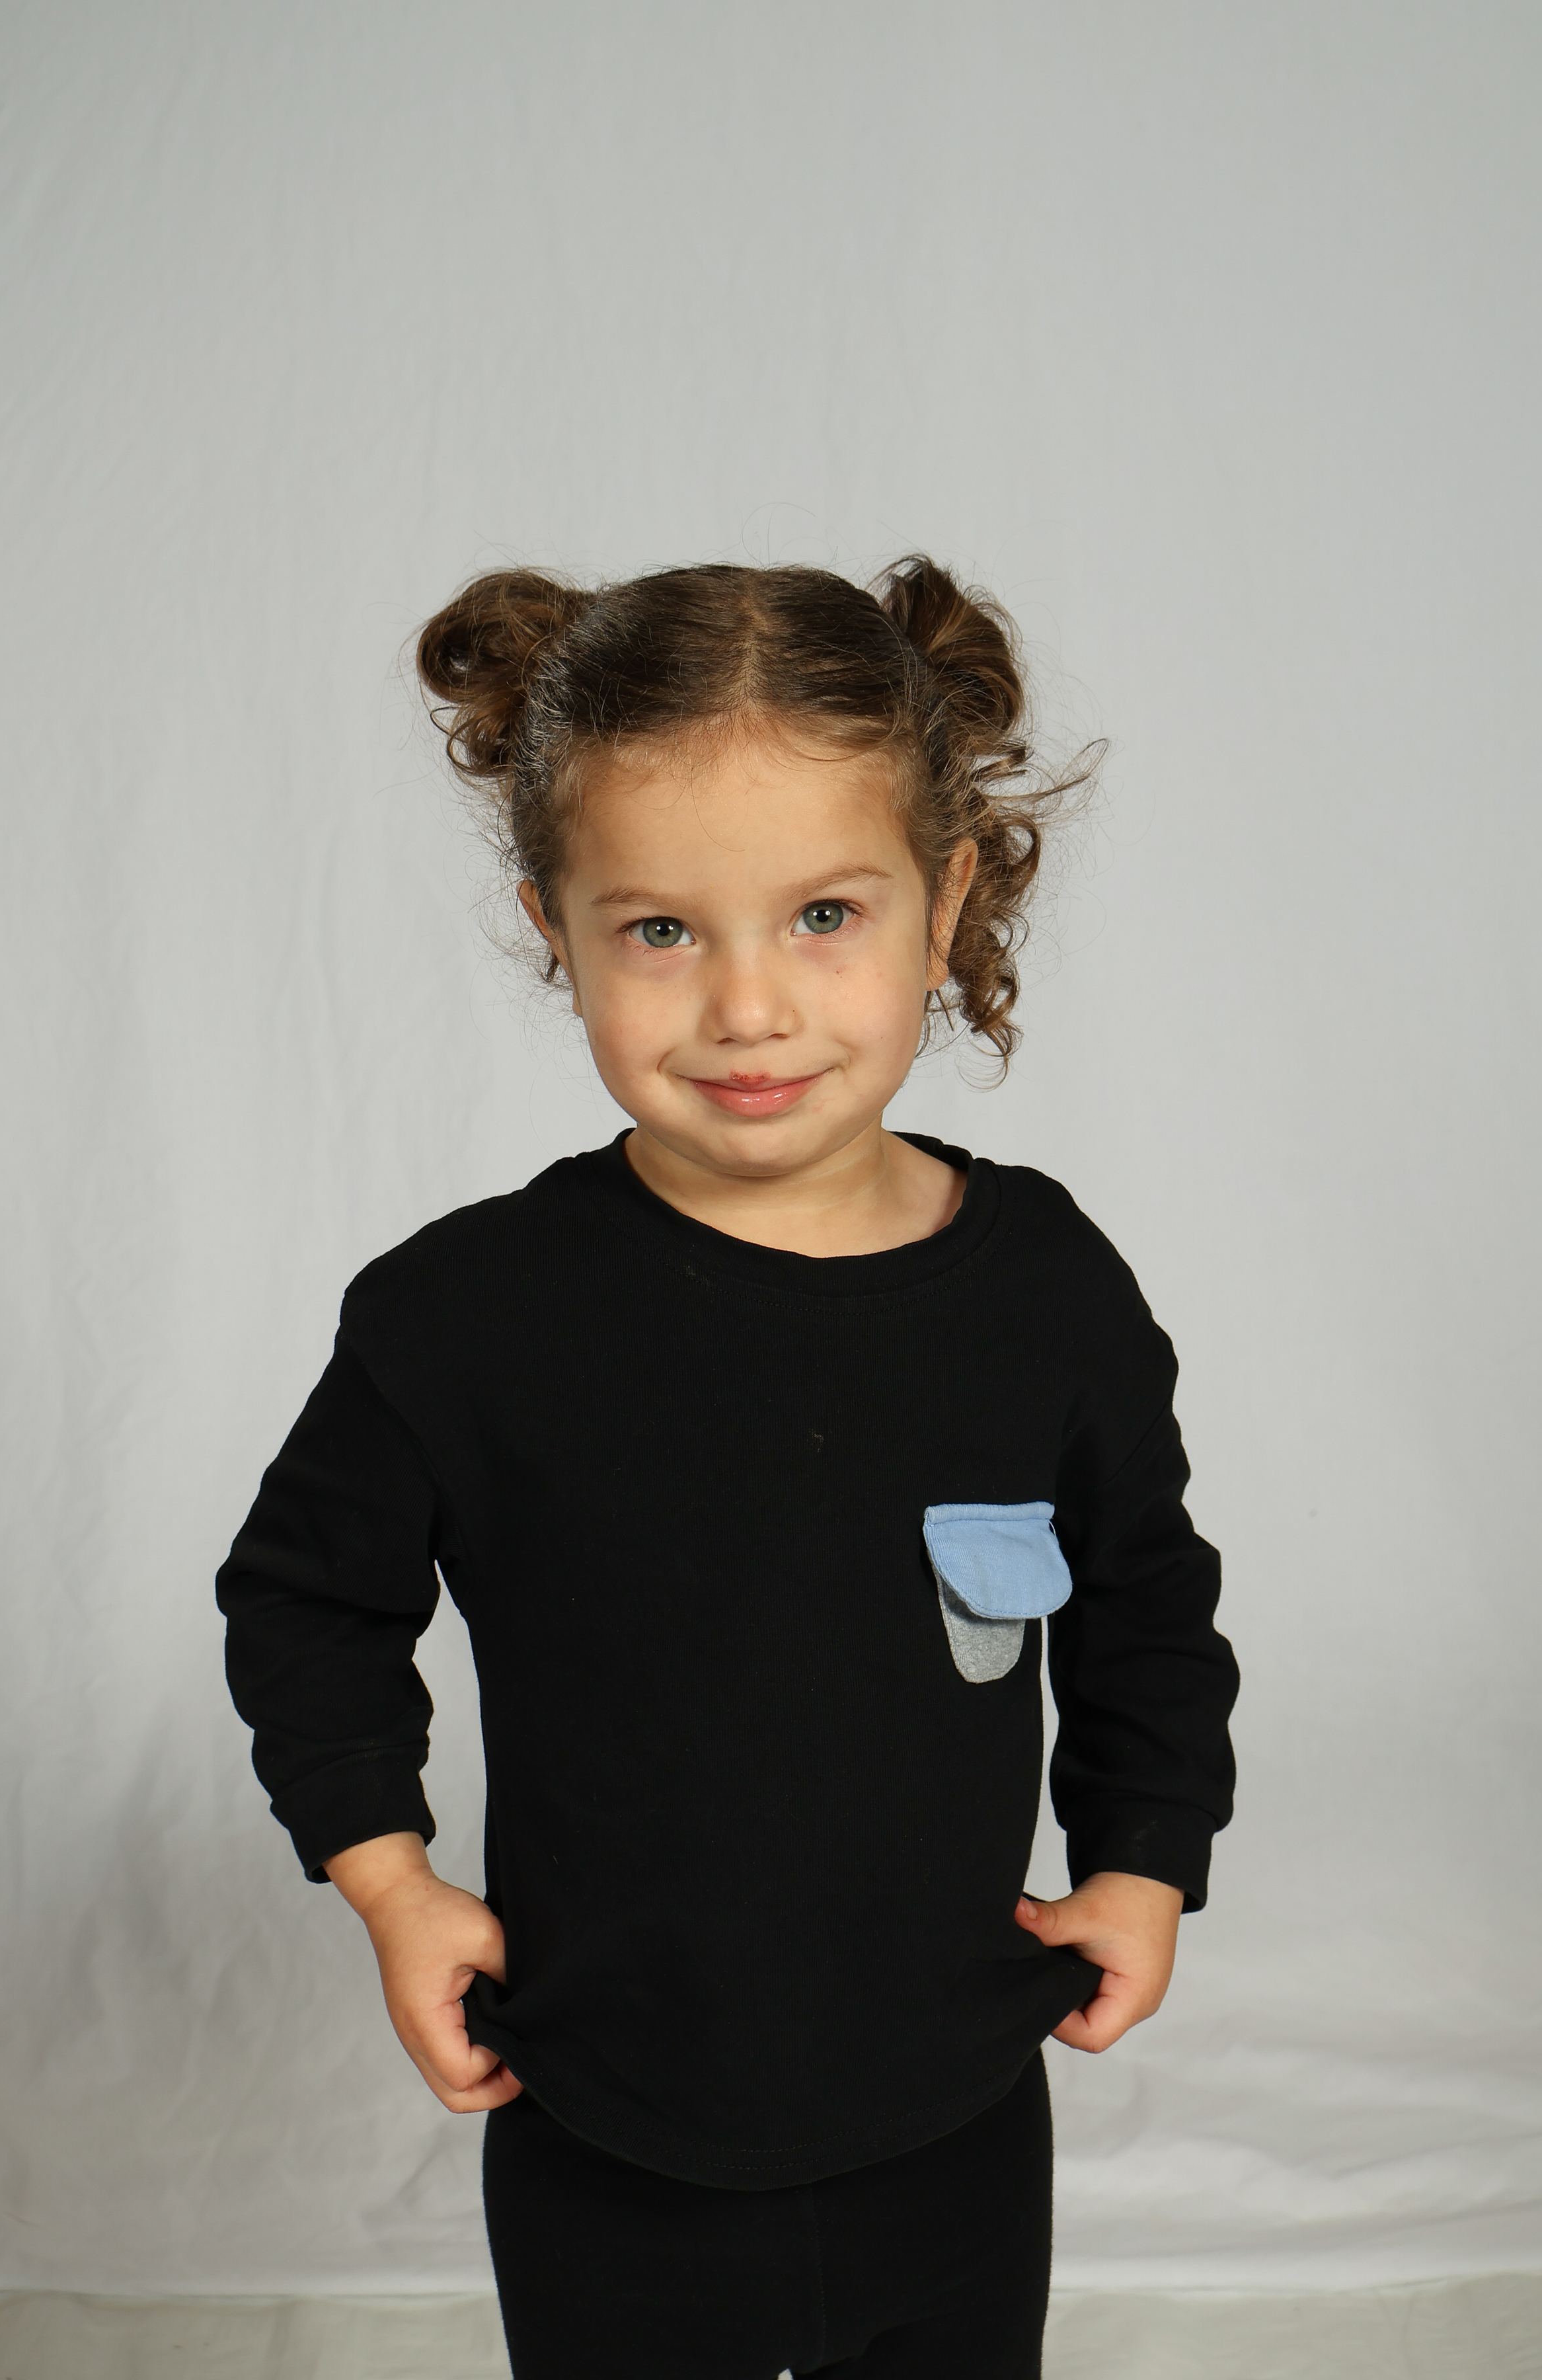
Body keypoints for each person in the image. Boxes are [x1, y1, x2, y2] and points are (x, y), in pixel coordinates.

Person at [217, 557, 1237, 2379]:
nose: (749, 1008)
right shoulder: (468, 1317)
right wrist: (392, 1884)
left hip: (954, 2100)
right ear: (555, 927)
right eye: (662, 932)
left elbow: (1149, 1603)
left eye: (825, 913)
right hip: (607, 2114)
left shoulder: (1048, 1293)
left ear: (948, 899)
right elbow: (306, 1603)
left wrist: (1145, 1857)